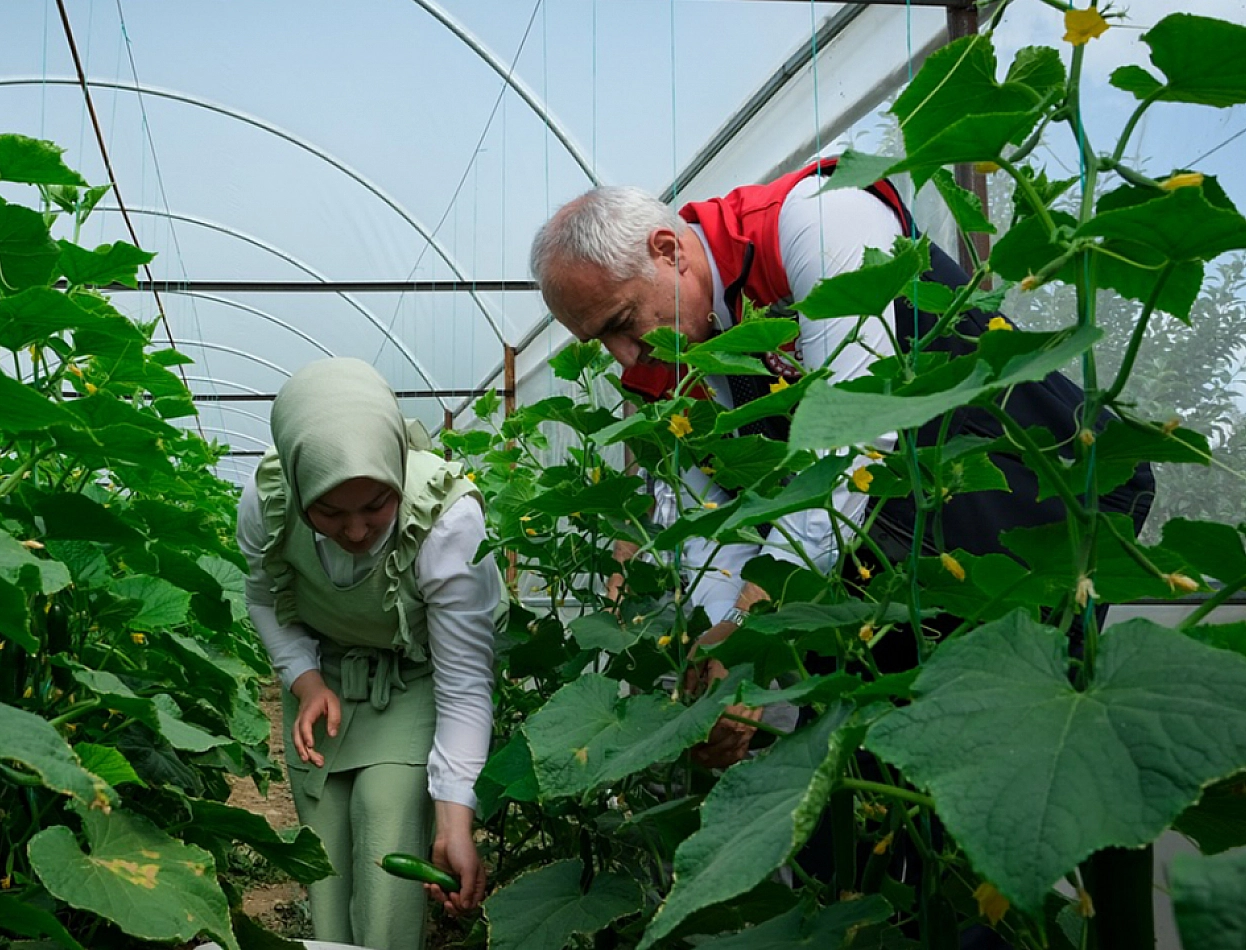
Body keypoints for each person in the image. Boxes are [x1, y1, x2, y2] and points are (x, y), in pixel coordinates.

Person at [529, 158, 1154, 733]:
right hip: (885, 560)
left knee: (1025, 758)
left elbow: (852, 437)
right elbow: (711, 520)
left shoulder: (817, 217)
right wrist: (726, 636)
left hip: (1031, 503)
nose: (623, 355)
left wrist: (752, 628)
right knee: (882, 800)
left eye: (620, 321)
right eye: (600, 340)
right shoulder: (669, 358)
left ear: (668, 252)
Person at [236, 357, 501, 950]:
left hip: (411, 680)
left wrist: (455, 813)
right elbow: (260, 597)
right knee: (324, 868)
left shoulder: (445, 520)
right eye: (329, 512)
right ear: (301, 487)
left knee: (386, 839)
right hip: (323, 684)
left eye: (375, 505)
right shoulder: (266, 501)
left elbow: (464, 680)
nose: (355, 531)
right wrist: (304, 680)